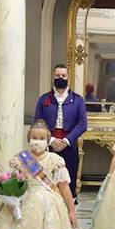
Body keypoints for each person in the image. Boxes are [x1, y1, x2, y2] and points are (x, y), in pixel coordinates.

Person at [33, 63, 89, 196]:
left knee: (68, 182)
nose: (60, 78)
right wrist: (51, 140)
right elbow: (38, 123)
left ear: (68, 77)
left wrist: (66, 141)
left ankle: (68, 210)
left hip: (69, 147)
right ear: (53, 76)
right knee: (48, 182)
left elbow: (82, 124)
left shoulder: (78, 100)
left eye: (63, 75)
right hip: (48, 147)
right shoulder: (44, 99)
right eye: (58, 75)